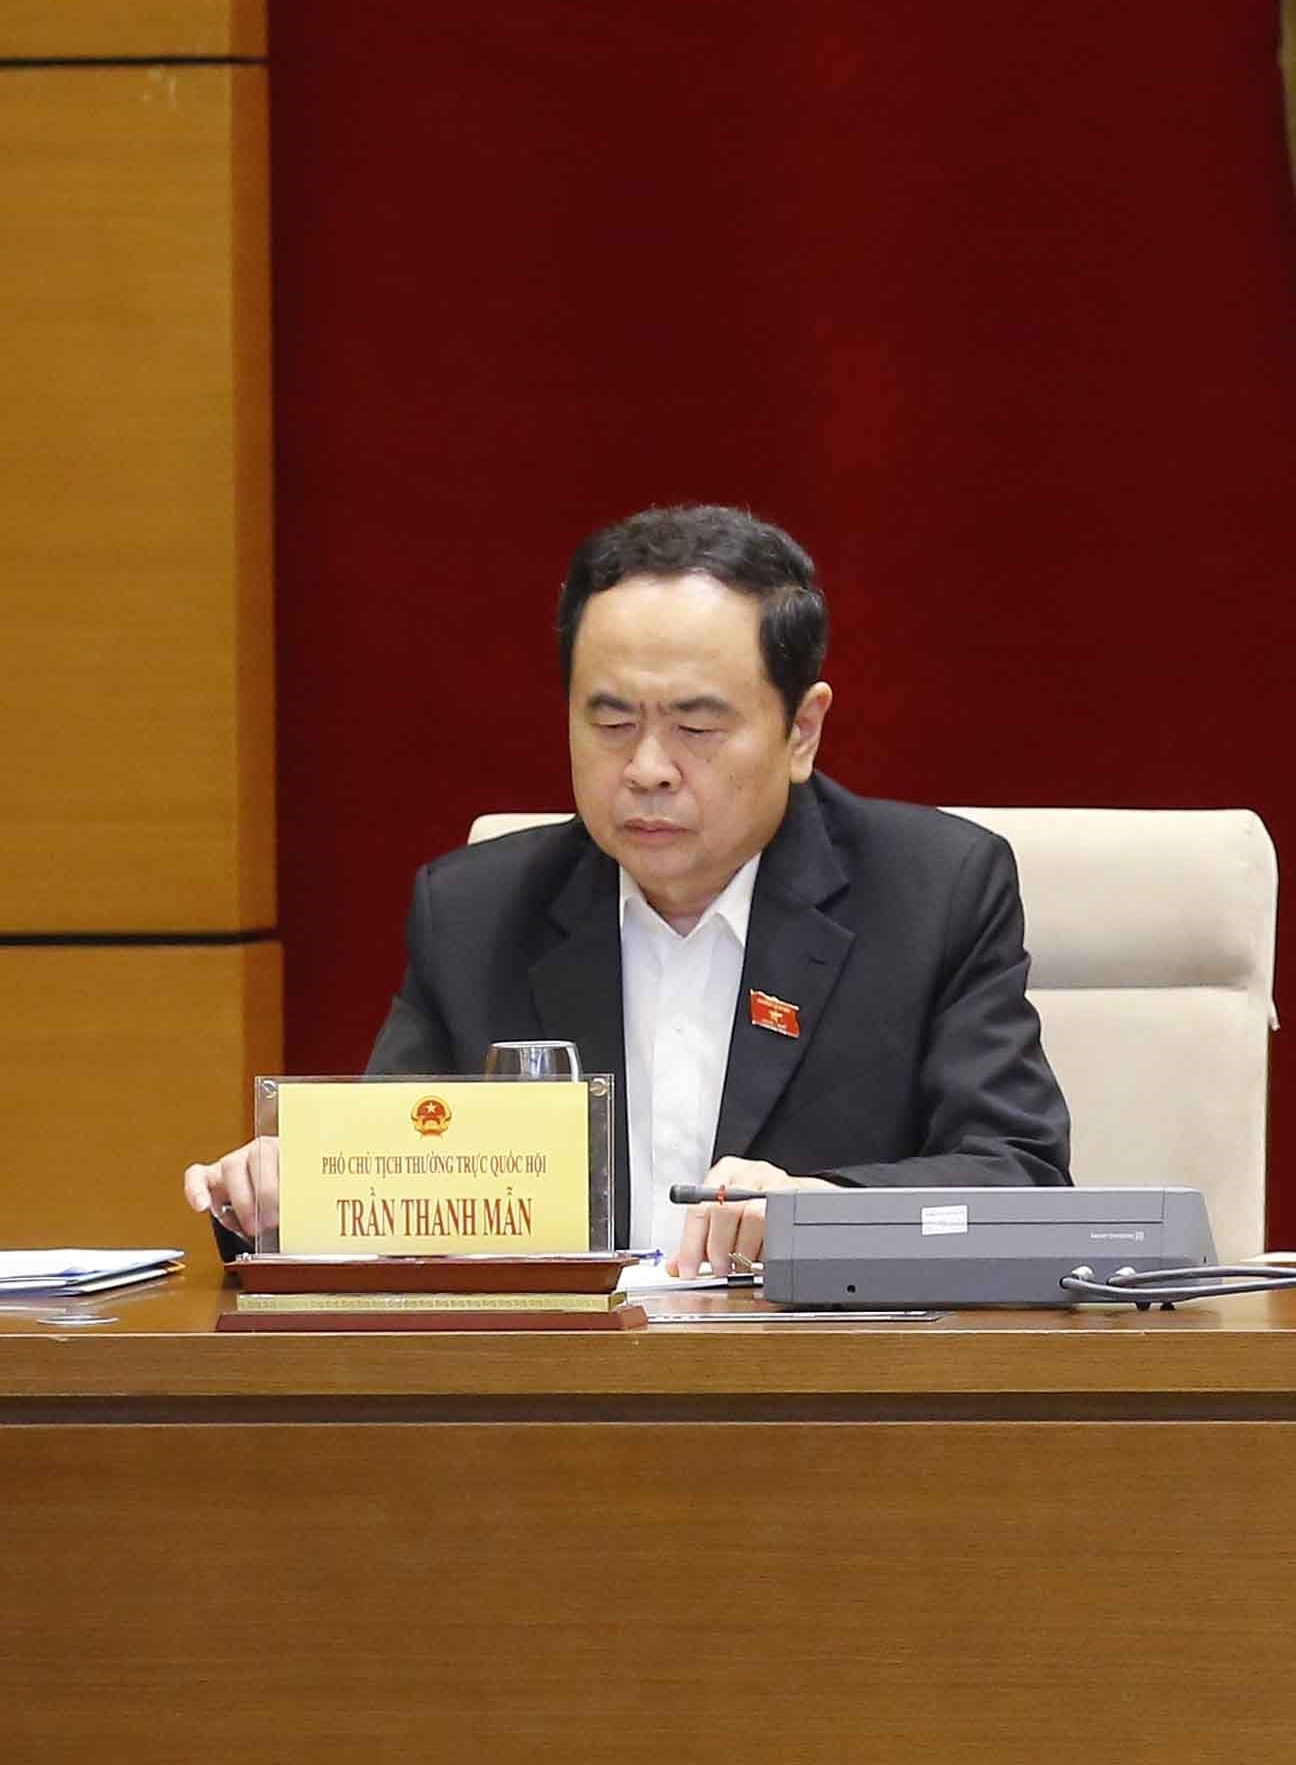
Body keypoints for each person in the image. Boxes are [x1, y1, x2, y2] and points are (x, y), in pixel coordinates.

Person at [187, 506, 1070, 1275]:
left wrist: (819, 1211)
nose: (648, 768)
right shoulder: (476, 914)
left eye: (696, 727)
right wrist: (286, 1192)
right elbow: (392, 1179)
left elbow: (1020, 1176)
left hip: (820, 1386)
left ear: (802, 730)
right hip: (559, 1392)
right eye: (611, 722)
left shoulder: (931, 893)